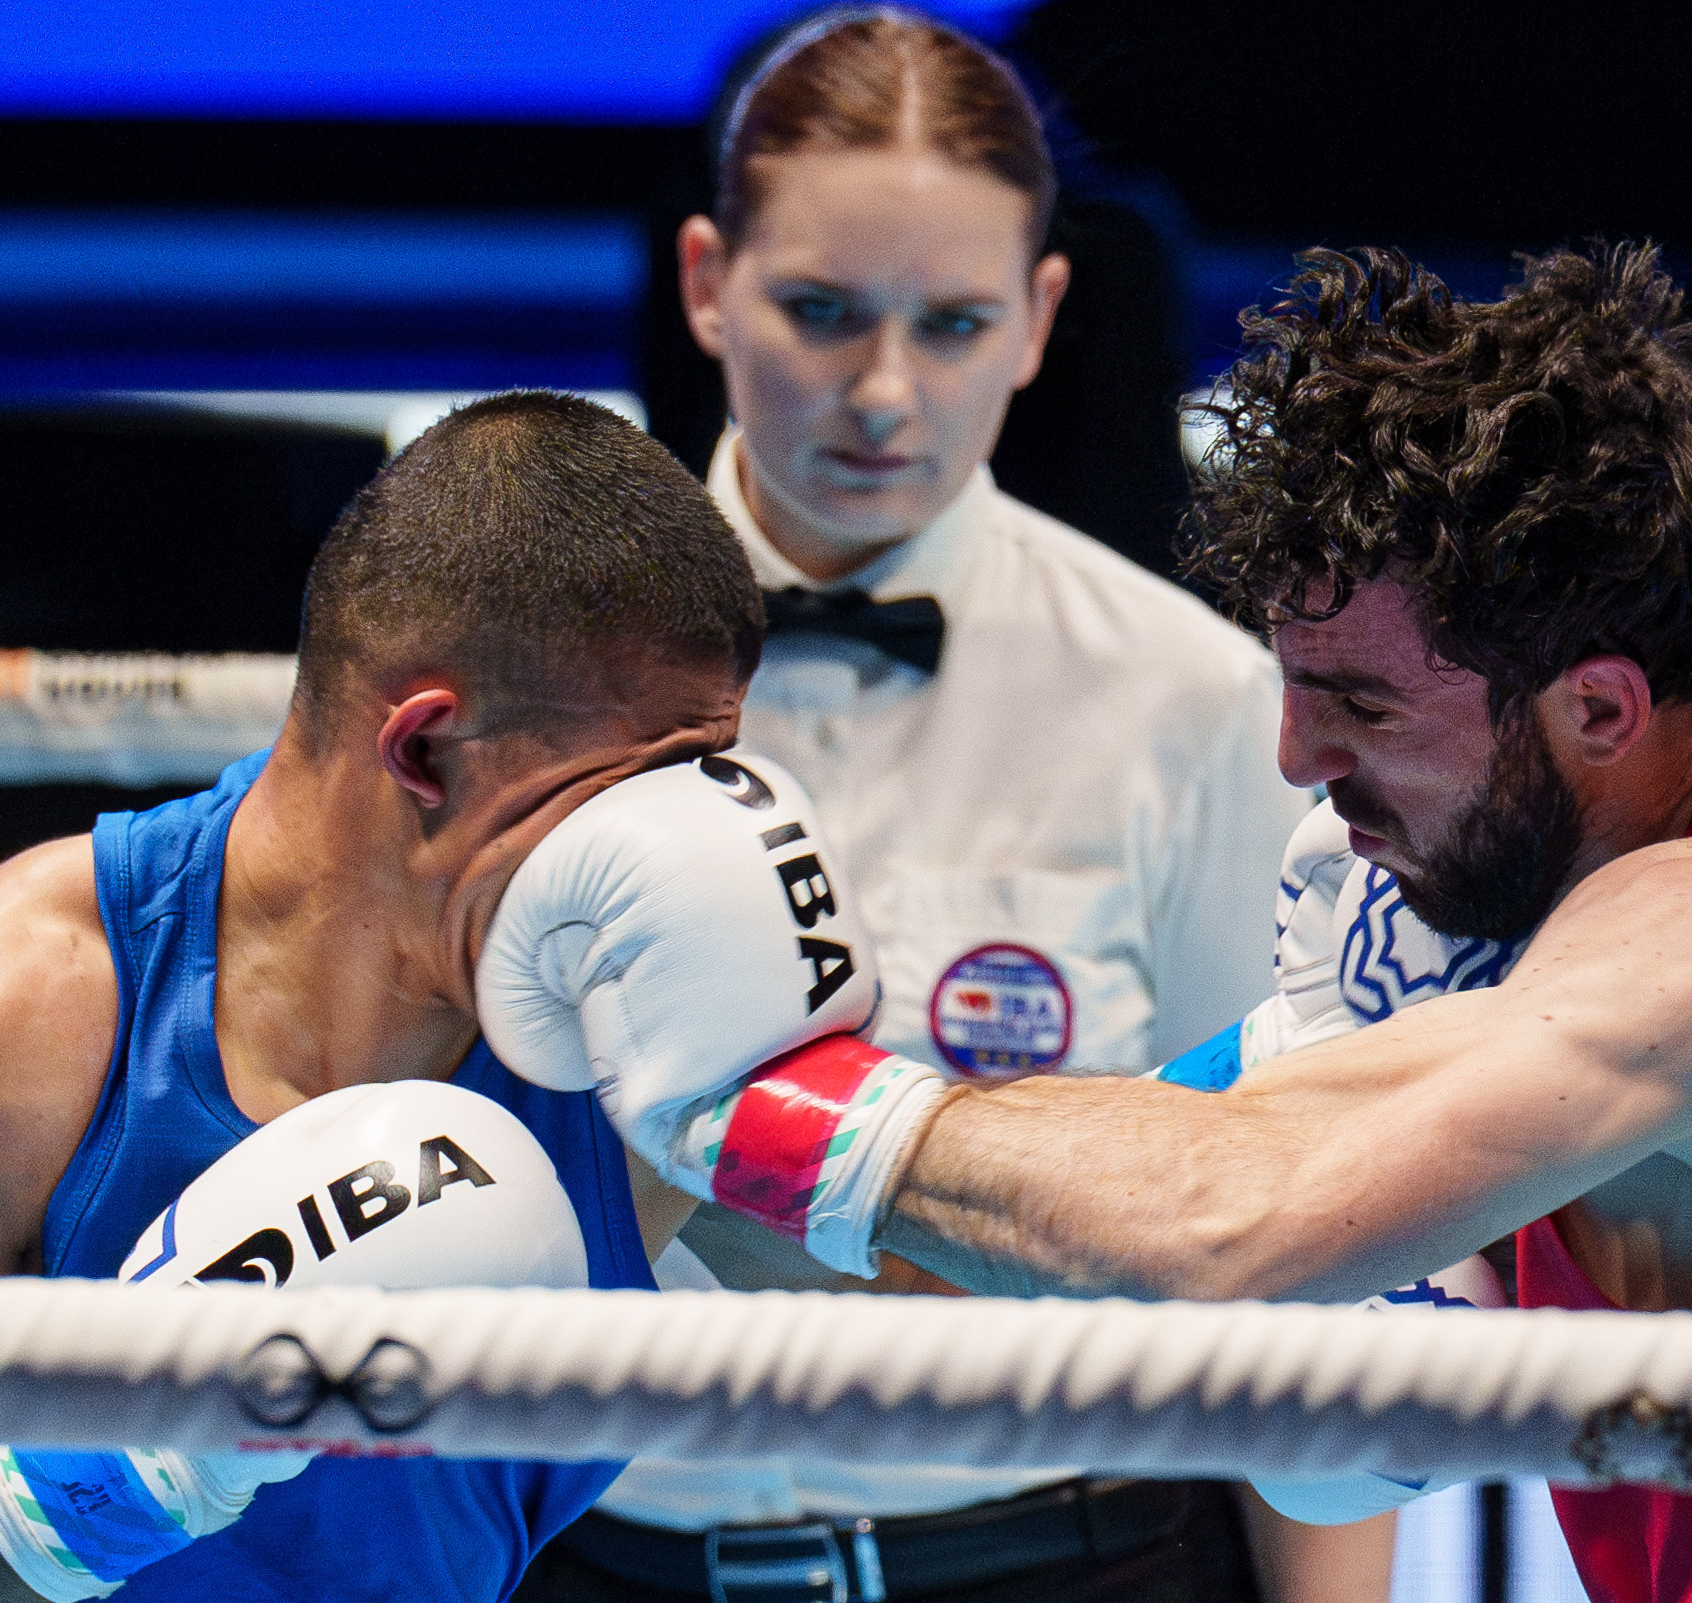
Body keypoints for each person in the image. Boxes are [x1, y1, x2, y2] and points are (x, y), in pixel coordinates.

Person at [534, 245, 1692, 1603]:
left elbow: (1237, 1220)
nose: (1293, 759)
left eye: (1352, 704)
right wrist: (630, 1171)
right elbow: (1130, 1179)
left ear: (1596, 708)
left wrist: (761, 1105)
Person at [512, 10, 1330, 1603]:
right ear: (704, 283)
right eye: (822, 311)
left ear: (1039, 320)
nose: (885, 392)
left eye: (951, 324)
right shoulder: (525, 670)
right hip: (583, 1553)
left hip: (1068, 1556)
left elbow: (1295, 1231)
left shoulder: (1193, 698)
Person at [0, 392, 767, 1602]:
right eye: (641, 784)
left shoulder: (643, 1021)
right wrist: (140, 1454)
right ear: (426, 750)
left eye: (709, 778)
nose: (673, 838)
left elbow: (986, 1286)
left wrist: (847, 1115)